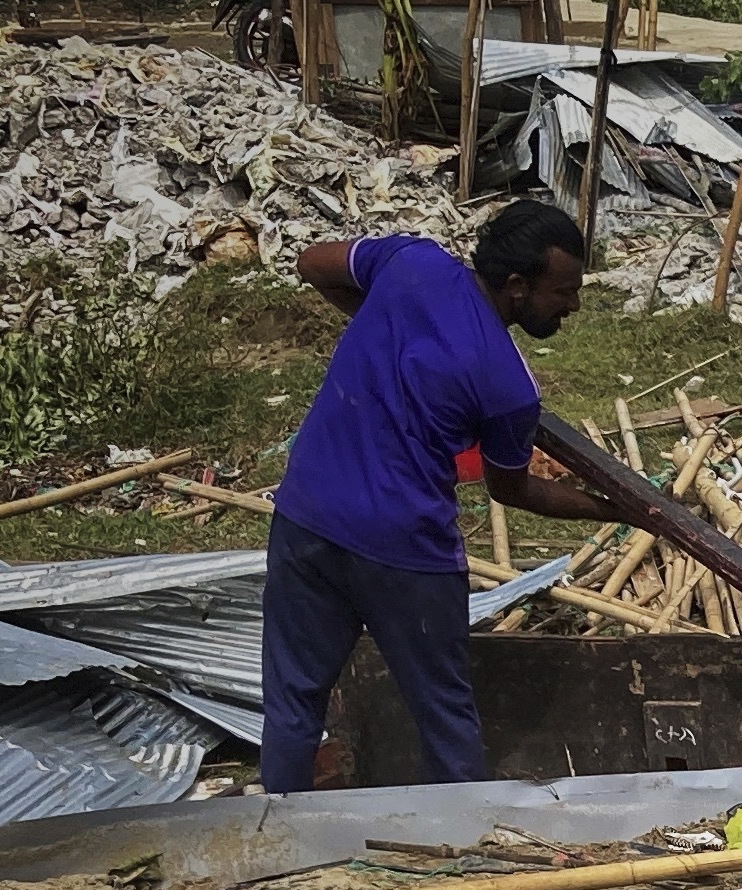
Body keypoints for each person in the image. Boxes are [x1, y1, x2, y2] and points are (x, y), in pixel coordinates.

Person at [259, 201, 612, 793]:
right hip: (405, 553)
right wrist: (610, 508)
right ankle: (466, 837)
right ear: (517, 286)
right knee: (444, 715)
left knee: (294, 699)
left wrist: (381, 320)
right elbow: (511, 488)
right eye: (564, 291)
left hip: (307, 517)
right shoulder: (508, 385)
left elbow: (312, 262)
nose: (572, 305)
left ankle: (276, 830)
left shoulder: (410, 264)